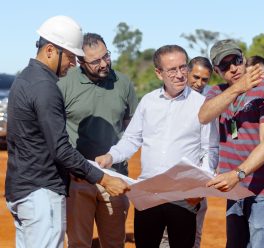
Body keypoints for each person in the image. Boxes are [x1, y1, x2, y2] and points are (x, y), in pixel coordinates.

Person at [4, 16, 129, 248]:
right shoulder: (46, 87)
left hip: (20, 190)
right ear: (50, 50)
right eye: (70, 56)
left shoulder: (24, 79)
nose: (73, 63)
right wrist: (103, 178)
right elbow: (60, 149)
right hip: (41, 193)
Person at [96, 44, 218, 248]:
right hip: (148, 195)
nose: (180, 75)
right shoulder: (148, 102)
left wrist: (199, 189)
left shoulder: (202, 105)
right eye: (172, 70)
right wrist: (111, 156)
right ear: (159, 73)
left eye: (183, 67)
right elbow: (132, 139)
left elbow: (210, 149)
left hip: (183, 197)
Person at [199, 39, 264, 248]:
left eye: (236, 61)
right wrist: (237, 88)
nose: (233, 68)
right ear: (218, 71)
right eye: (225, 66)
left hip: (263, 191)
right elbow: (203, 116)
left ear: (244, 60)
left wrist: (236, 174)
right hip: (235, 190)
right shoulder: (217, 92)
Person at [57, 33, 138, 248]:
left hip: (115, 178)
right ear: (81, 62)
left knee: (114, 243)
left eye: (106, 56)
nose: (104, 64)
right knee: (78, 243)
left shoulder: (123, 83)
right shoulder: (65, 83)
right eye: (95, 61)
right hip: (78, 179)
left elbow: (132, 129)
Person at [160, 56, 214, 248]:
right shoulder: (169, 99)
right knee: (165, 237)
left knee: (193, 236)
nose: (199, 83)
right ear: (187, 72)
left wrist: (200, 188)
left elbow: (210, 148)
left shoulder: (209, 103)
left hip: (195, 182)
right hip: (168, 180)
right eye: (195, 77)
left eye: (204, 79)